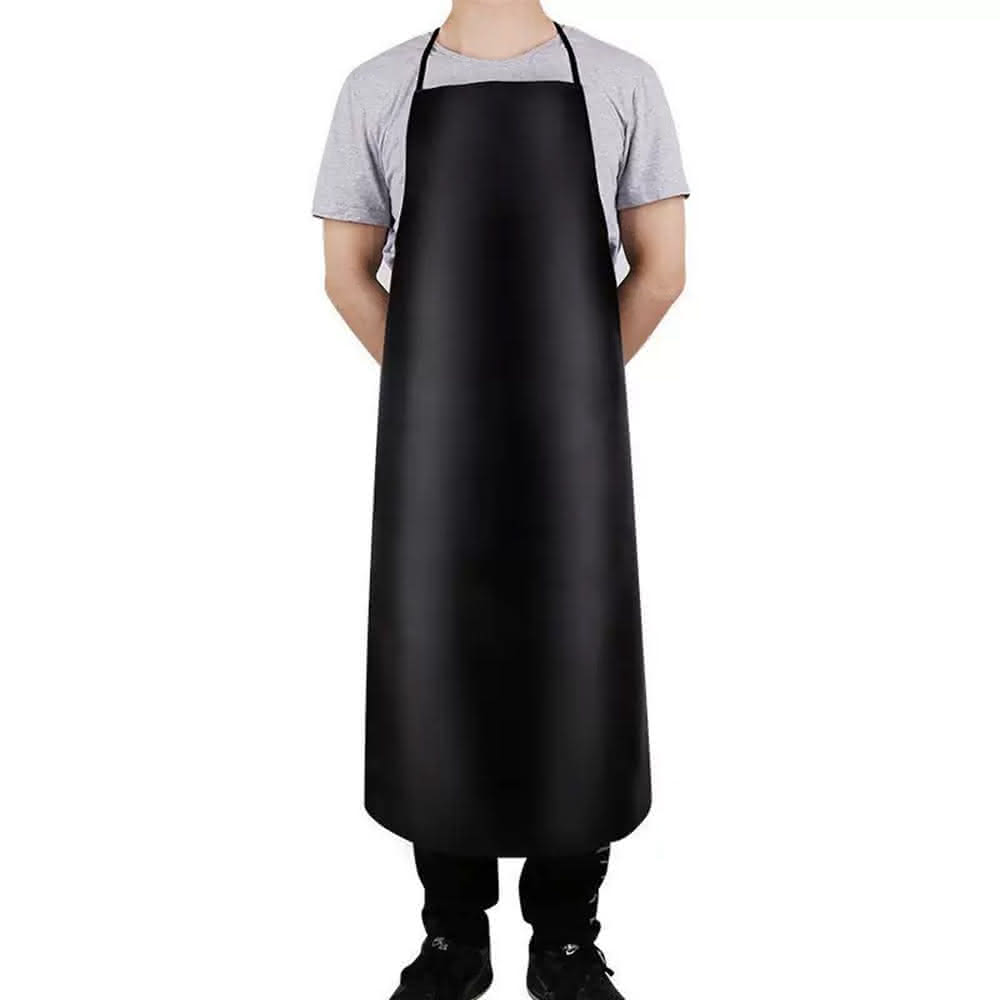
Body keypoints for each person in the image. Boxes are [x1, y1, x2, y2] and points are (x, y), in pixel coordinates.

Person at [313, 2, 687, 997]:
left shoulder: (622, 79)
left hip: (576, 450)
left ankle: (564, 941)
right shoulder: (377, 86)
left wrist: (569, 388)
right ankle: (455, 940)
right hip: (432, 451)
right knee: (437, 663)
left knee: (577, 663)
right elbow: (345, 273)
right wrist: (437, 389)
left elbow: (663, 270)